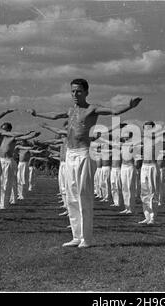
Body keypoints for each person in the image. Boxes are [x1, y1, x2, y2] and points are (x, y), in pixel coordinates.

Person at [28, 78, 141, 248]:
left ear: (86, 92)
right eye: (72, 91)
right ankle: (76, 235)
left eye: (79, 91)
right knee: (72, 196)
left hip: (83, 154)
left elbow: (114, 111)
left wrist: (130, 106)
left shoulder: (92, 108)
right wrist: (37, 113)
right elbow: (54, 115)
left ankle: (86, 238)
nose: (75, 94)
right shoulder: (70, 110)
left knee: (83, 195)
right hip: (71, 154)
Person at [0, 122, 39, 210]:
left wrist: (32, 135)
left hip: (8, 161)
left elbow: (24, 137)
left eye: (4, 129)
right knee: (0, 183)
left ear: (8, 130)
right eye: (2, 129)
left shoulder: (12, 138)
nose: (2, 131)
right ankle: (3, 201)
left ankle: (4, 204)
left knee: (7, 183)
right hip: (0, 161)